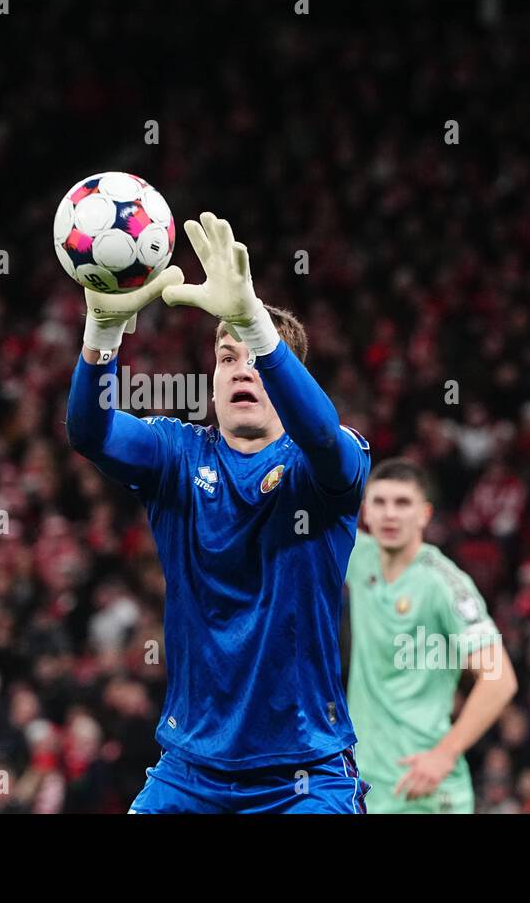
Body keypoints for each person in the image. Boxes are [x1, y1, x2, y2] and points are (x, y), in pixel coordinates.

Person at [67, 211, 371, 812]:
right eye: (227, 358)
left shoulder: (327, 465)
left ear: (288, 378)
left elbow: (320, 435)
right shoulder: (177, 455)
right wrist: (101, 337)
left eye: (254, 358)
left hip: (304, 773)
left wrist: (256, 325)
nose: (241, 369)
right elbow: (89, 432)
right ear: (211, 381)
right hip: (189, 770)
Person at [345, 458, 518, 813]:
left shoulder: (444, 583)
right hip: (368, 786)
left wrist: (445, 753)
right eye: (379, 502)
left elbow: (500, 680)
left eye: (402, 503)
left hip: (425, 790)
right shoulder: (359, 558)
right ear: (366, 512)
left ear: (424, 514)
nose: (390, 514)